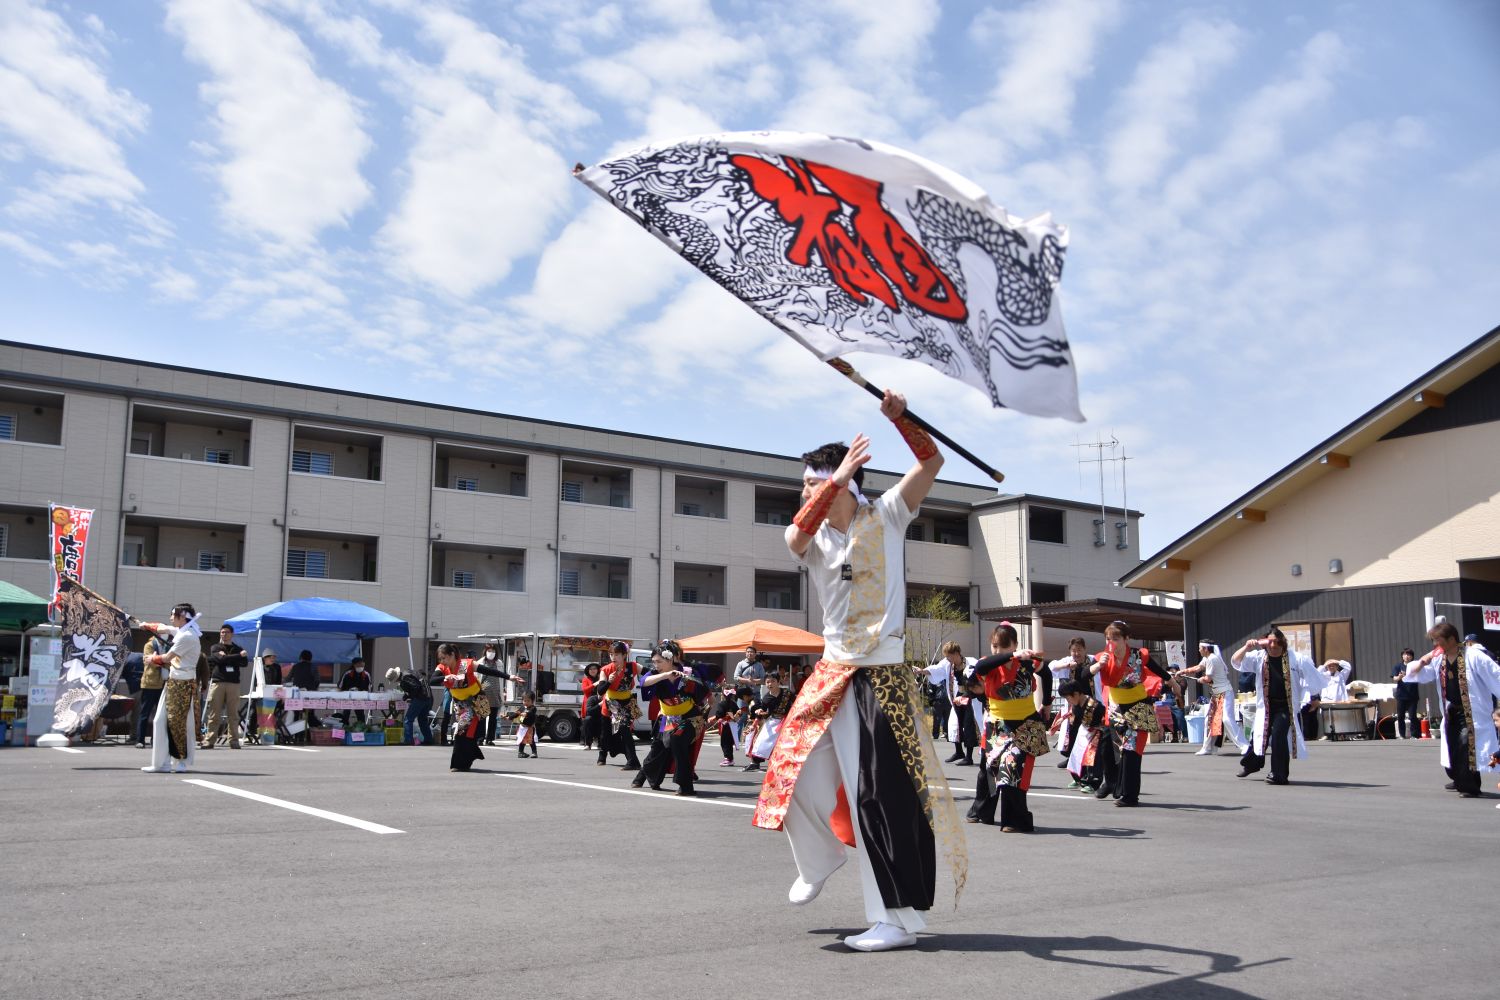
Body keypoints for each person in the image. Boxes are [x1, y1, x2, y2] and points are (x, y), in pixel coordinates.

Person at [752, 388, 964, 954]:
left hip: (883, 674)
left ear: (847, 484)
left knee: (881, 795)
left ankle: (895, 919)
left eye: (813, 482)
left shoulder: (887, 515)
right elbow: (796, 531)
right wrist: (832, 481)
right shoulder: (810, 540)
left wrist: (903, 420)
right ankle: (819, 858)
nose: (805, 492)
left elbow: (931, 462)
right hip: (833, 670)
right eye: (806, 484)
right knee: (789, 770)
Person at [1401, 622, 1500, 797]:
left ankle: (1469, 787)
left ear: (1451, 639)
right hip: (1450, 710)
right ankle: (1461, 781)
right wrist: (1424, 659)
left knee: (1466, 747)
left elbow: (1496, 676)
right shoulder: (1439, 658)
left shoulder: (1474, 656)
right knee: (1453, 747)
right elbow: (1414, 674)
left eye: (1438, 641)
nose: (1435, 645)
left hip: (1472, 712)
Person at [967, 623, 1047, 831]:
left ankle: (1014, 820)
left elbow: (1046, 673)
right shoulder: (988, 664)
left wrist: (1047, 703)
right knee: (989, 769)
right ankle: (981, 811)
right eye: (995, 646)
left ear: (1015, 644)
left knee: (1013, 768)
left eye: (1004, 646)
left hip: (1025, 724)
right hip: (997, 724)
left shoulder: (1027, 662)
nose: (998, 650)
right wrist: (1011, 655)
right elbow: (980, 669)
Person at [1088, 620, 1175, 806]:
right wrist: (1097, 666)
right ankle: (1113, 785)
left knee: (1131, 752)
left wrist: (1173, 682)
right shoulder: (1102, 657)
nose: (1111, 642)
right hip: (1116, 708)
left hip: (1138, 706)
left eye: (1116, 638)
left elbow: (1157, 669)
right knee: (1111, 750)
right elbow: (1083, 675)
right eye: (1108, 638)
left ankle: (1129, 796)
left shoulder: (1138, 655)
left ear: (1126, 639)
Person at [1231, 627, 1325, 785]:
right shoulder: (1258, 657)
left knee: (1279, 736)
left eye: (1277, 642)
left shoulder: (1296, 659)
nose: (1273, 646)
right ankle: (1252, 765)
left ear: (1283, 643)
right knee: (1259, 736)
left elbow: (1313, 677)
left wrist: (1315, 697)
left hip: (1285, 706)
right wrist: (1246, 647)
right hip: (1266, 706)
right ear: (1265, 643)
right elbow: (1236, 661)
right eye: (1270, 642)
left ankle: (1279, 774)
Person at [633, 641, 706, 796]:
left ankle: (686, 786)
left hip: (690, 718)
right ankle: (641, 777)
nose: (656, 665)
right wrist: (665, 675)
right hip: (668, 718)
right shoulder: (655, 674)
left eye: (659, 661)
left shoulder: (687, 671)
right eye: (654, 662)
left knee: (677, 740)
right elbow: (643, 682)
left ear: (671, 659)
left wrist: (689, 681)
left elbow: (702, 690)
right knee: (658, 747)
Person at [139, 604, 204, 774]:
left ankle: (181, 761)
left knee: (178, 723)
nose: (170, 618)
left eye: (173, 615)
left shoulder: (188, 636)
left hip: (183, 684)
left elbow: (167, 658)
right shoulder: (183, 631)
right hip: (174, 682)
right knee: (160, 721)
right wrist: (146, 625)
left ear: (182, 617)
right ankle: (162, 763)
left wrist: (152, 659)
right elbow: (164, 628)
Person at [1179, 641, 1248, 756]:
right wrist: (1183, 672)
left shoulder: (1212, 659)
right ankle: (1207, 748)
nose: (1199, 650)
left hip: (1225, 692)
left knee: (1227, 719)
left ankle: (1244, 745)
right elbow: (1198, 668)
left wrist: (1201, 679)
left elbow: (1208, 679)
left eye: (1200, 648)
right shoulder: (1207, 658)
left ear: (1206, 649)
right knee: (1209, 720)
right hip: (1216, 694)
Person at [436, 644, 487, 772]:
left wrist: (509, 677)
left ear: (452, 655)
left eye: (444, 658)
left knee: (468, 733)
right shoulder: (442, 668)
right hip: (461, 704)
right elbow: (432, 680)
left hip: (477, 700)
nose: (442, 661)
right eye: (440, 659)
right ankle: (462, 762)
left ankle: (462, 762)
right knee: (462, 732)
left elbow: (487, 671)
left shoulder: (466, 664)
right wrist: (445, 677)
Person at [201, 624, 247, 749]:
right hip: (218, 682)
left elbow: (244, 663)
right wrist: (238, 656)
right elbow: (220, 660)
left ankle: (234, 740)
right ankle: (209, 740)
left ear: (232, 634)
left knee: (233, 714)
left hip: (234, 683)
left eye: (226, 632)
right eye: (222, 632)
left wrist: (227, 657)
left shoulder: (237, 648)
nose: (224, 634)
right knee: (214, 713)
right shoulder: (216, 647)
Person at [599, 640, 641, 771]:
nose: (613, 657)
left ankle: (632, 760)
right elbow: (600, 691)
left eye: (617, 654)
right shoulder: (606, 670)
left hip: (627, 702)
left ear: (624, 655)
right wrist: (608, 682)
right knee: (606, 732)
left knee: (624, 729)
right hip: (612, 703)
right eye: (611, 654)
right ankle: (602, 756)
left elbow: (649, 672)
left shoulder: (633, 666)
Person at [1049, 638, 1090, 767]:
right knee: (1072, 731)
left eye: (1079, 650)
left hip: (1090, 703)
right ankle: (1072, 758)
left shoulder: (1092, 660)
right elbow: (1052, 666)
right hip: (1074, 704)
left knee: (1089, 732)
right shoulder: (1068, 661)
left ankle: (1089, 762)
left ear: (1085, 650)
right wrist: (1067, 666)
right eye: (1073, 650)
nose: (1076, 653)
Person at [743, 673, 794, 771]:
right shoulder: (766, 698)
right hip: (773, 721)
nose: (770, 684)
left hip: (788, 721)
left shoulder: (787, 693)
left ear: (778, 682)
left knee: (786, 743)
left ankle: (786, 763)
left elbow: (797, 703)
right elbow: (762, 712)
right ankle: (755, 762)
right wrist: (754, 724)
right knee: (761, 741)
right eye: (767, 682)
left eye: (773, 681)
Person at [134, 633, 167, 749]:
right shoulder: (149, 645)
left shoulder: (168, 646)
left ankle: (156, 740)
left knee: (160, 715)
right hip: (150, 683)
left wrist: (157, 659)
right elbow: (150, 662)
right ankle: (140, 740)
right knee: (145, 713)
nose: (165, 636)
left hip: (163, 684)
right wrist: (163, 661)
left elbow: (170, 662)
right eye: (163, 633)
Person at [401, 659, 435, 747]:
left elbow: (415, 687)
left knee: (408, 719)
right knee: (422, 720)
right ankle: (428, 739)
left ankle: (408, 740)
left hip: (420, 699)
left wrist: (410, 696)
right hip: (428, 699)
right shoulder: (415, 675)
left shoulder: (405, 678)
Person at [709, 681, 743, 767]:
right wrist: (734, 717)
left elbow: (719, 714)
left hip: (725, 725)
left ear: (723, 694)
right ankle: (730, 758)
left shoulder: (722, 704)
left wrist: (715, 718)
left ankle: (728, 758)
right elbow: (738, 712)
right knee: (729, 742)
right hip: (732, 725)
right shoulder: (733, 703)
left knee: (724, 742)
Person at [478, 644, 506, 746]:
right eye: (489, 651)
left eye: (493, 651)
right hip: (483, 693)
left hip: (495, 693)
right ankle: (480, 738)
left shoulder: (499, 663)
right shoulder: (480, 662)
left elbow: (502, 677)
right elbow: (477, 678)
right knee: (482, 717)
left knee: (493, 718)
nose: (491, 653)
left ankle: (490, 739)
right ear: (485, 651)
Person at [1392, 649, 1421, 739]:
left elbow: (1420, 675)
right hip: (1401, 695)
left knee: (1412, 716)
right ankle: (1402, 735)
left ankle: (1414, 735)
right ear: (1402, 656)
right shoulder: (1398, 666)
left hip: (1413, 695)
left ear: (1412, 656)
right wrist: (1399, 677)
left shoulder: (1415, 666)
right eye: (1405, 654)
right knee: (1400, 716)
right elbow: (1394, 678)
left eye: (1409, 655)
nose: (1407, 656)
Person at [337, 656, 372, 728]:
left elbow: (369, 688)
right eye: (359, 665)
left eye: (362, 665)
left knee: (360, 714)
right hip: (348, 698)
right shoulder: (347, 674)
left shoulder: (366, 675)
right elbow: (340, 686)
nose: (361, 666)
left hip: (360, 699)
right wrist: (348, 691)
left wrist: (363, 693)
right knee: (346, 713)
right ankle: (344, 727)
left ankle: (362, 728)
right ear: (354, 665)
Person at [580, 662, 603, 750]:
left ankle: (599, 742)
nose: (593, 670)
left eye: (594, 669)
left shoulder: (601, 678)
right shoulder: (585, 679)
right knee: (588, 721)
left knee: (600, 722)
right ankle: (587, 743)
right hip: (589, 704)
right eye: (591, 669)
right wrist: (594, 684)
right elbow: (585, 690)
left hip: (600, 703)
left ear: (597, 670)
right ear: (588, 671)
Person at [512, 691, 540, 758]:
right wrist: (509, 717)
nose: (526, 702)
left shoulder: (533, 708)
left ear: (532, 701)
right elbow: (516, 714)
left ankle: (534, 752)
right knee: (522, 740)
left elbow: (531, 713)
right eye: (524, 701)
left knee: (531, 740)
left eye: (528, 701)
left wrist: (526, 713)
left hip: (529, 727)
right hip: (522, 727)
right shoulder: (522, 707)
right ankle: (520, 752)